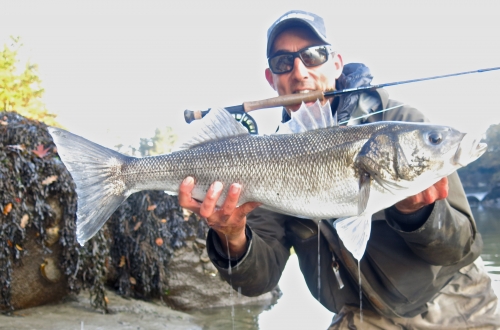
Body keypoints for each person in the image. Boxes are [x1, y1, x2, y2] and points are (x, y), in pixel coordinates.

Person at [178, 10, 500, 329]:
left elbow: (463, 246)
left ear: (336, 63)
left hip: (455, 303)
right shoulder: (264, 156)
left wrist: (420, 217)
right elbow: (258, 280)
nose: (299, 72)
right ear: (271, 78)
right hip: (362, 315)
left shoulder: (403, 120)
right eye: (282, 62)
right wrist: (232, 236)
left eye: (314, 55)